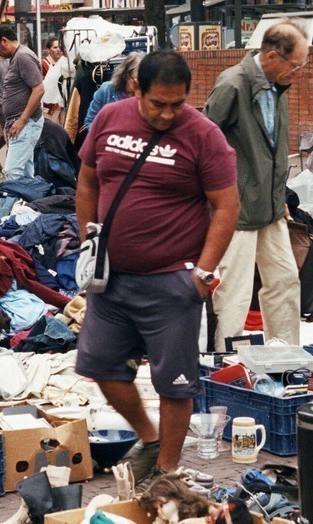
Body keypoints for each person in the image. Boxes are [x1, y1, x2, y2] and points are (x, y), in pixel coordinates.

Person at [75, 51, 240, 489]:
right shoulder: (109, 118)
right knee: (101, 365)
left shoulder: (204, 136)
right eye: (158, 104)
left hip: (172, 280)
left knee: (175, 383)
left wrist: (203, 274)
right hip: (111, 279)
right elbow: (88, 180)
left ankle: (166, 471)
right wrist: (88, 242)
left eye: (177, 103)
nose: (168, 114)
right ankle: (150, 440)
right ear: (136, 89)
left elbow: (227, 207)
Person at [204, 20, 308, 350]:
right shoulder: (233, 84)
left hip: (270, 206)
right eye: (296, 65)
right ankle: (225, 357)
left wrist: (280, 200)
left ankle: (287, 352)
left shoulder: (277, 86)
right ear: (273, 56)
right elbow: (204, 142)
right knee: (235, 288)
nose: (299, 73)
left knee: (285, 280)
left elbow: (272, 150)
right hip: (237, 208)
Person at [0, 24, 45, 180]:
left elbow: (39, 89)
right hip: (21, 123)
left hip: (25, 123)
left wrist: (22, 120)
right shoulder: (18, 56)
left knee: (12, 172)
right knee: (26, 173)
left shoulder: (22, 57)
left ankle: (13, 197)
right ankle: (29, 196)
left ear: (4, 41)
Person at [84, 51, 144, 131]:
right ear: (126, 75)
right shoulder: (106, 90)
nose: (139, 83)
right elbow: (90, 121)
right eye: (136, 79)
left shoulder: (146, 96)